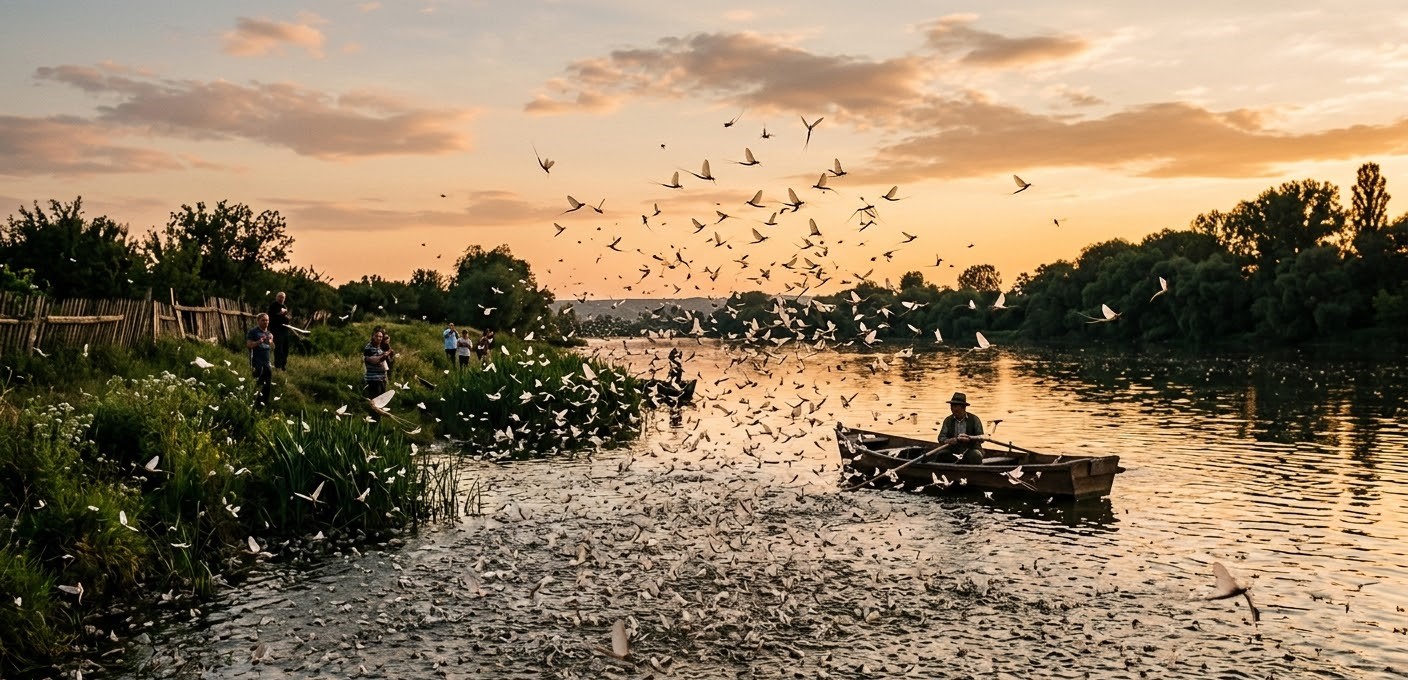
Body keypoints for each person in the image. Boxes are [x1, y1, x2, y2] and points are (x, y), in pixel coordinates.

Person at [937, 392, 985, 464]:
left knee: (976, 456)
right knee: (941, 455)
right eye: (952, 406)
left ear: (963, 407)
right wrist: (949, 440)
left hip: (971, 450)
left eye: (955, 406)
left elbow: (982, 438)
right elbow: (941, 438)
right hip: (953, 451)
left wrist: (970, 438)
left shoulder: (974, 419)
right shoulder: (948, 420)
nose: (953, 408)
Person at [246, 313, 275, 407]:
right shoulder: (253, 332)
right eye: (263, 320)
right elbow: (249, 345)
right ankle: (253, 402)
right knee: (257, 381)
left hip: (266, 361)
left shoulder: (269, 333)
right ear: (258, 321)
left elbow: (272, 346)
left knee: (267, 383)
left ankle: (264, 403)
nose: (265, 322)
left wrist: (271, 341)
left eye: (267, 320)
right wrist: (259, 342)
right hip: (256, 360)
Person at [363, 328, 393, 401]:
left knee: (382, 399)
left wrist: (389, 353)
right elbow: (374, 361)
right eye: (377, 336)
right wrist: (384, 355)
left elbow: (389, 360)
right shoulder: (369, 348)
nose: (379, 338)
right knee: (375, 400)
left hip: (381, 378)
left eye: (380, 337)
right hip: (374, 379)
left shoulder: (380, 347)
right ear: (373, 336)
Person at [267, 292, 291, 370]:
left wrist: (287, 317)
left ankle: (283, 365)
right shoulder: (273, 306)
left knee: (285, 348)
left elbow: (287, 319)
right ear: (276, 297)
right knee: (279, 348)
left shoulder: (284, 306)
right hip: (276, 330)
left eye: (283, 297)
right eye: (280, 297)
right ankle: (278, 366)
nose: (281, 299)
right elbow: (271, 318)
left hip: (284, 330)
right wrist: (280, 314)